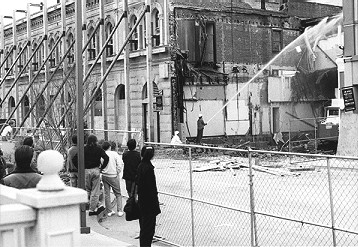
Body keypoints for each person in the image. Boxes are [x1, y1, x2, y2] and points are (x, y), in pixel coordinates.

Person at [76, 134, 109, 216]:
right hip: (96, 170)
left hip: (86, 170)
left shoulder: (84, 149)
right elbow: (106, 158)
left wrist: (80, 168)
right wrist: (102, 167)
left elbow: (75, 159)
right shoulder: (98, 148)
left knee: (88, 190)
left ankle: (91, 206)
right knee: (95, 191)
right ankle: (93, 209)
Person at [136, 145, 161, 247]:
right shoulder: (149, 169)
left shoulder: (140, 166)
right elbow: (152, 189)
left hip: (142, 202)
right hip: (149, 204)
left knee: (144, 228)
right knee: (148, 230)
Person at [101, 141, 124, 217]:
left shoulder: (102, 154)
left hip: (104, 175)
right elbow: (120, 163)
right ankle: (119, 210)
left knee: (107, 193)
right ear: (110, 147)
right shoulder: (114, 154)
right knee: (118, 193)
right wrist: (117, 171)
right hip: (113, 175)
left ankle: (109, 211)